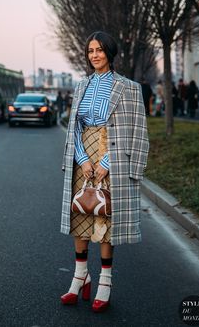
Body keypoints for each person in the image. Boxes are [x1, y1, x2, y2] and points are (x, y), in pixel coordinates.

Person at [60, 31, 149, 312]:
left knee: (106, 219)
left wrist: (106, 163)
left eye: (99, 50)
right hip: (82, 156)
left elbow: (137, 131)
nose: (94, 55)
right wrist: (83, 158)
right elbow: (74, 126)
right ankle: (80, 277)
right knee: (80, 213)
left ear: (109, 53)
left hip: (113, 157)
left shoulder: (129, 87)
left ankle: (106, 283)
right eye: (90, 51)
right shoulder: (81, 85)